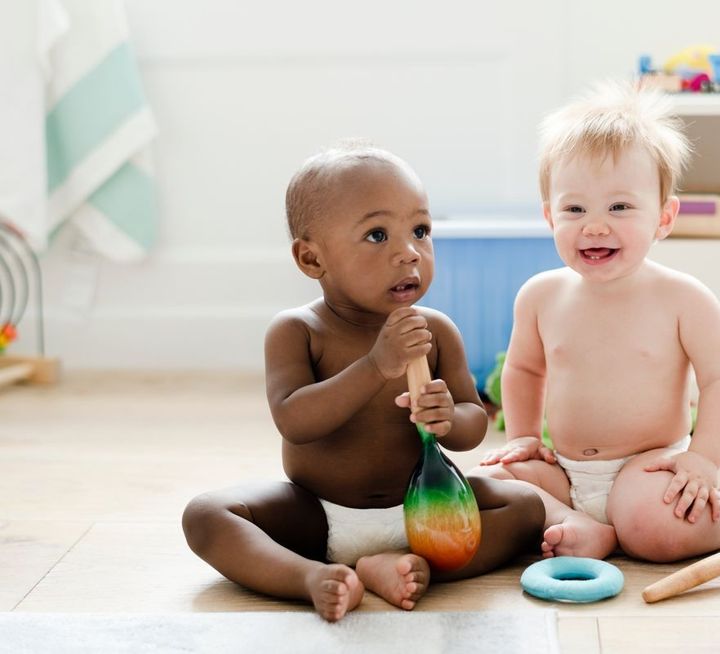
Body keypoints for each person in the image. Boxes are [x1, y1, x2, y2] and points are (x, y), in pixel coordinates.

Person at [182, 143, 544, 622]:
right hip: (320, 513)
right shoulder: (297, 331)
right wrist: (376, 365)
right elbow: (295, 421)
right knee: (206, 515)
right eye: (377, 235)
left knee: (524, 506)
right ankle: (309, 578)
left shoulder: (435, 331)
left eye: (421, 230)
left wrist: (447, 419)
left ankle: (413, 568)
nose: (409, 252)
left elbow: (472, 423)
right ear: (312, 260)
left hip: (423, 510)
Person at [473, 81, 720, 563]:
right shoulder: (540, 295)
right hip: (562, 469)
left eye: (619, 207)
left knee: (654, 530)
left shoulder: (684, 298)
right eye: (574, 209)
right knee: (481, 485)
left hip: (647, 469)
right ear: (548, 216)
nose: (595, 225)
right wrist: (523, 439)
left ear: (663, 218)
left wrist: (702, 459)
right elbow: (524, 371)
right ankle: (578, 523)